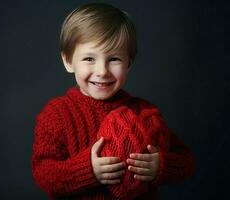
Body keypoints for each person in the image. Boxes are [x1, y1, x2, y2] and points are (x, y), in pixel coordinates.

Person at [31, 3, 195, 199]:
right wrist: (87, 169)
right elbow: (43, 173)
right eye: (89, 59)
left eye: (114, 59)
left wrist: (161, 166)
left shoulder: (144, 113)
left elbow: (187, 162)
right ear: (68, 61)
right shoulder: (56, 114)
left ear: (129, 63)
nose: (102, 71)